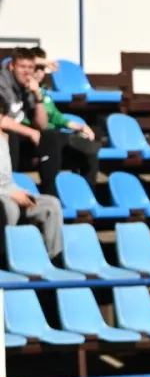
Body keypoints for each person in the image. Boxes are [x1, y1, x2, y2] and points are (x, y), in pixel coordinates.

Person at [1, 48, 78, 195]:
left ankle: (49, 192)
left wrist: (37, 96)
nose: (27, 72)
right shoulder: (2, 84)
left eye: (30, 67)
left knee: (50, 136)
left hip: (21, 136)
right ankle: (9, 192)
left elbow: (41, 125)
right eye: (22, 67)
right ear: (12, 66)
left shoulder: (28, 87)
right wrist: (30, 132)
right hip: (7, 136)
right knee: (9, 134)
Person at [29, 49, 101, 183]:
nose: (39, 73)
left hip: (53, 134)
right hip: (36, 136)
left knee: (89, 147)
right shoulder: (21, 91)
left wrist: (81, 127)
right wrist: (44, 62)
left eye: (42, 69)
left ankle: (88, 190)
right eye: (36, 68)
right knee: (54, 137)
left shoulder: (45, 95)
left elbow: (58, 118)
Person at [1, 123, 65, 258]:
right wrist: (9, 193)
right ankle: (6, 257)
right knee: (10, 208)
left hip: (9, 191)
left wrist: (19, 191)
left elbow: (6, 179)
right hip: (4, 196)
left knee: (51, 204)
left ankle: (54, 258)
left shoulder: (3, 141)